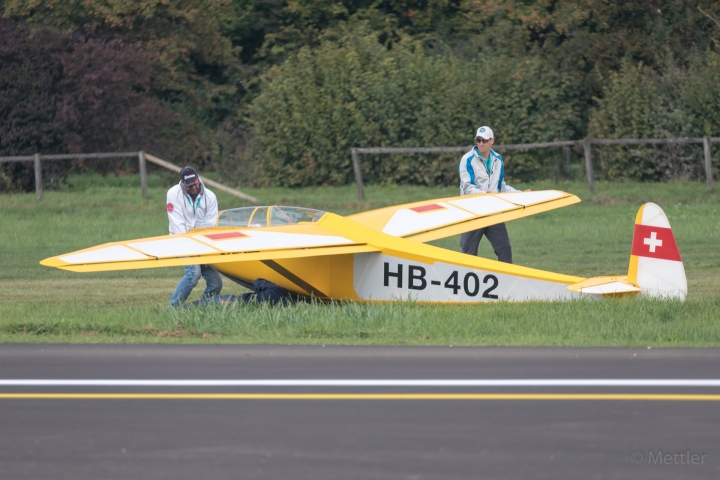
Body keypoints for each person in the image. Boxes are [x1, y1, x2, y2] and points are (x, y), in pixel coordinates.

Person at [458, 126, 526, 264]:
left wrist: (521, 195)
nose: (481, 143)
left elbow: (501, 187)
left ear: (492, 141)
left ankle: (506, 281)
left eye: (484, 140)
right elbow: (467, 188)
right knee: (468, 254)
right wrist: (484, 194)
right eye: (478, 140)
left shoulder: (498, 160)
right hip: (473, 213)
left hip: (493, 212)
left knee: (505, 250)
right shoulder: (467, 159)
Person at [167, 166, 222, 306]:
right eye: (189, 185)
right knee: (193, 273)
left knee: (216, 282)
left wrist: (206, 253)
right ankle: (173, 308)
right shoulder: (173, 194)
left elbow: (210, 227)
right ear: (182, 183)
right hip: (181, 241)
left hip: (203, 244)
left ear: (198, 178)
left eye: (195, 183)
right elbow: (178, 226)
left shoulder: (210, 197)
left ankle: (202, 307)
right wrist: (193, 251)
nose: (193, 187)